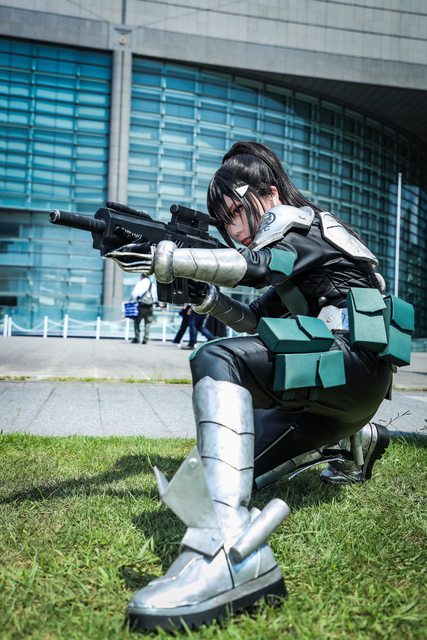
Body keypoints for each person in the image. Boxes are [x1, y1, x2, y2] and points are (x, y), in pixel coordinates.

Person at [107, 141, 412, 631]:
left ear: (268, 194)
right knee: (217, 474)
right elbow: (253, 317)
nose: (232, 229)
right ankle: (357, 438)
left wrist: (171, 256)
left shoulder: (306, 227)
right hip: (337, 395)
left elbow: (255, 269)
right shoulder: (296, 257)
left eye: (234, 212)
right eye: (223, 220)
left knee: (216, 356)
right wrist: (206, 298)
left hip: (352, 367)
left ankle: (231, 551)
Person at [130, 274, 155, 344]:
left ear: (142, 276)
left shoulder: (140, 283)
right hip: (150, 306)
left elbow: (134, 294)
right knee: (148, 323)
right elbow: (155, 296)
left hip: (141, 306)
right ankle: (145, 339)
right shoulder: (152, 284)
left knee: (137, 322)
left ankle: (137, 338)